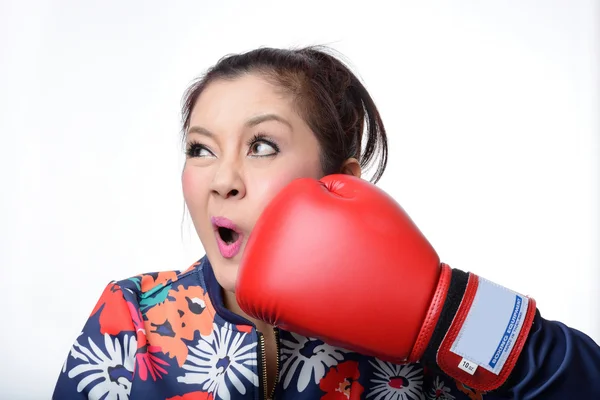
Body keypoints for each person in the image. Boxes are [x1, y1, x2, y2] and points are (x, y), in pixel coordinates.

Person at [52, 46, 600, 400]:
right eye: (200, 149)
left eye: (262, 145)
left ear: (342, 182)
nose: (223, 179)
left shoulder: (413, 340)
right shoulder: (132, 316)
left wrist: (445, 311)